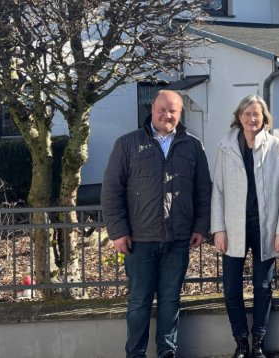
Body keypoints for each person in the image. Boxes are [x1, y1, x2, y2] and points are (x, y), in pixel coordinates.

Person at [102, 89, 212, 358]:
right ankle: (135, 353)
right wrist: (118, 232)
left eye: (173, 110)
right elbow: (111, 191)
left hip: (178, 239)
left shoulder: (193, 146)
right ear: (152, 109)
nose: (167, 115)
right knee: (139, 303)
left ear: (180, 113)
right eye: (162, 109)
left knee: (171, 301)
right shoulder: (128, 144)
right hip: (140, 240)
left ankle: (167, 352)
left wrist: (200, 226)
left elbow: (203, 191)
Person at [211, 95, 279, 358]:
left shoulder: (277, 147)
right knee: (231, 289)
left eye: (257, 114)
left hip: (265, 228)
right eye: (247, 114)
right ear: (239, 117)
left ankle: (258, 341)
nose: (252, 119)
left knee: (263, 287)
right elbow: (218, 191)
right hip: (234, 227)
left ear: (264, 118)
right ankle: (240, 342)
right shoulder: (225, 146)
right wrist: (219, 229)